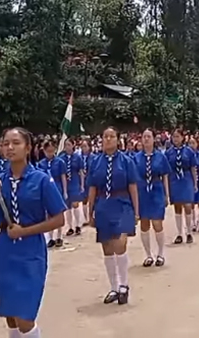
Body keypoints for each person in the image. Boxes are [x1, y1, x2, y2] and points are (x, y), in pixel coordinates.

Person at [0, 127, 66, 338]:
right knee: (10, 314)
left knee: (25, 316)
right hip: (5, 250)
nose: (10, 147)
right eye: (6, 143)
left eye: (16, 143)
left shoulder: (41, 180)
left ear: (28, 148)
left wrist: (25, 231)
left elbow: (59, 219)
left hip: (31, 251)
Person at [87, 127, 139, 305]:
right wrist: (90, 211)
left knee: (120, 242)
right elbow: (92, 187)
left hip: (122, 203)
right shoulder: (95, 162)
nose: (108, 139)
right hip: (103, 205)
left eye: (111, 136)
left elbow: (132, 186)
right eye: (105, 137)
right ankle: (114, 287)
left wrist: (136, 211)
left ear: (118, 140)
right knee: (107, 246)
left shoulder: (126, 161)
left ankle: (124, 284)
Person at [135, 128, 171, 267]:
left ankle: (160, 254)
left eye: (149, 136)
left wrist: (167, 195)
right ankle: (148, 255)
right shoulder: (136, 157)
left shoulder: (160, 156)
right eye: (144, 137)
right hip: (142, 191)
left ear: (153, 139)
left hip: (156, 190)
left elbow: (165, 176)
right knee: (144, 224)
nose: (146, 139)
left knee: (157, 223)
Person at [165, 129, 197, 244]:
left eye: (178, 136)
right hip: (174, 180)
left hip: (186, 178)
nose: (175, 139)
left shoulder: (189, 151)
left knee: (188, 205)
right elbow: (166, 171)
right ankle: (179, 233)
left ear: (183, 138)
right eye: (174, 137)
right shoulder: (168, 153)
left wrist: (195, 182)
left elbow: (193, 167)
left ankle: (189, 232)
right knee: (177, 207)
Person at [38, 140, 67, 248]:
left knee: (59, 213)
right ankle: (50, 237)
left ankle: (59, 236)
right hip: (46, 190)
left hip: (57, 188)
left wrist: (65, 191)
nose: (50, 153)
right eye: (48, 151)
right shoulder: (41, 164)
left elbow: (63, 177)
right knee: (49, 215)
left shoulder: (60, 162)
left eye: (52, 151)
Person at [59, 139, 85, 236]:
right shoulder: (61, 158)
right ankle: (70, 227)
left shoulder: (77, 157)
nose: (67, 147)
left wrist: (82, 185)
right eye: (66, 145)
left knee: (75, 204)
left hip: (74, 182)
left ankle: (78, 225)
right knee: (68, 207)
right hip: (66, 184)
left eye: (69, 145)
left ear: (73, 145)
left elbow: (81, 171)